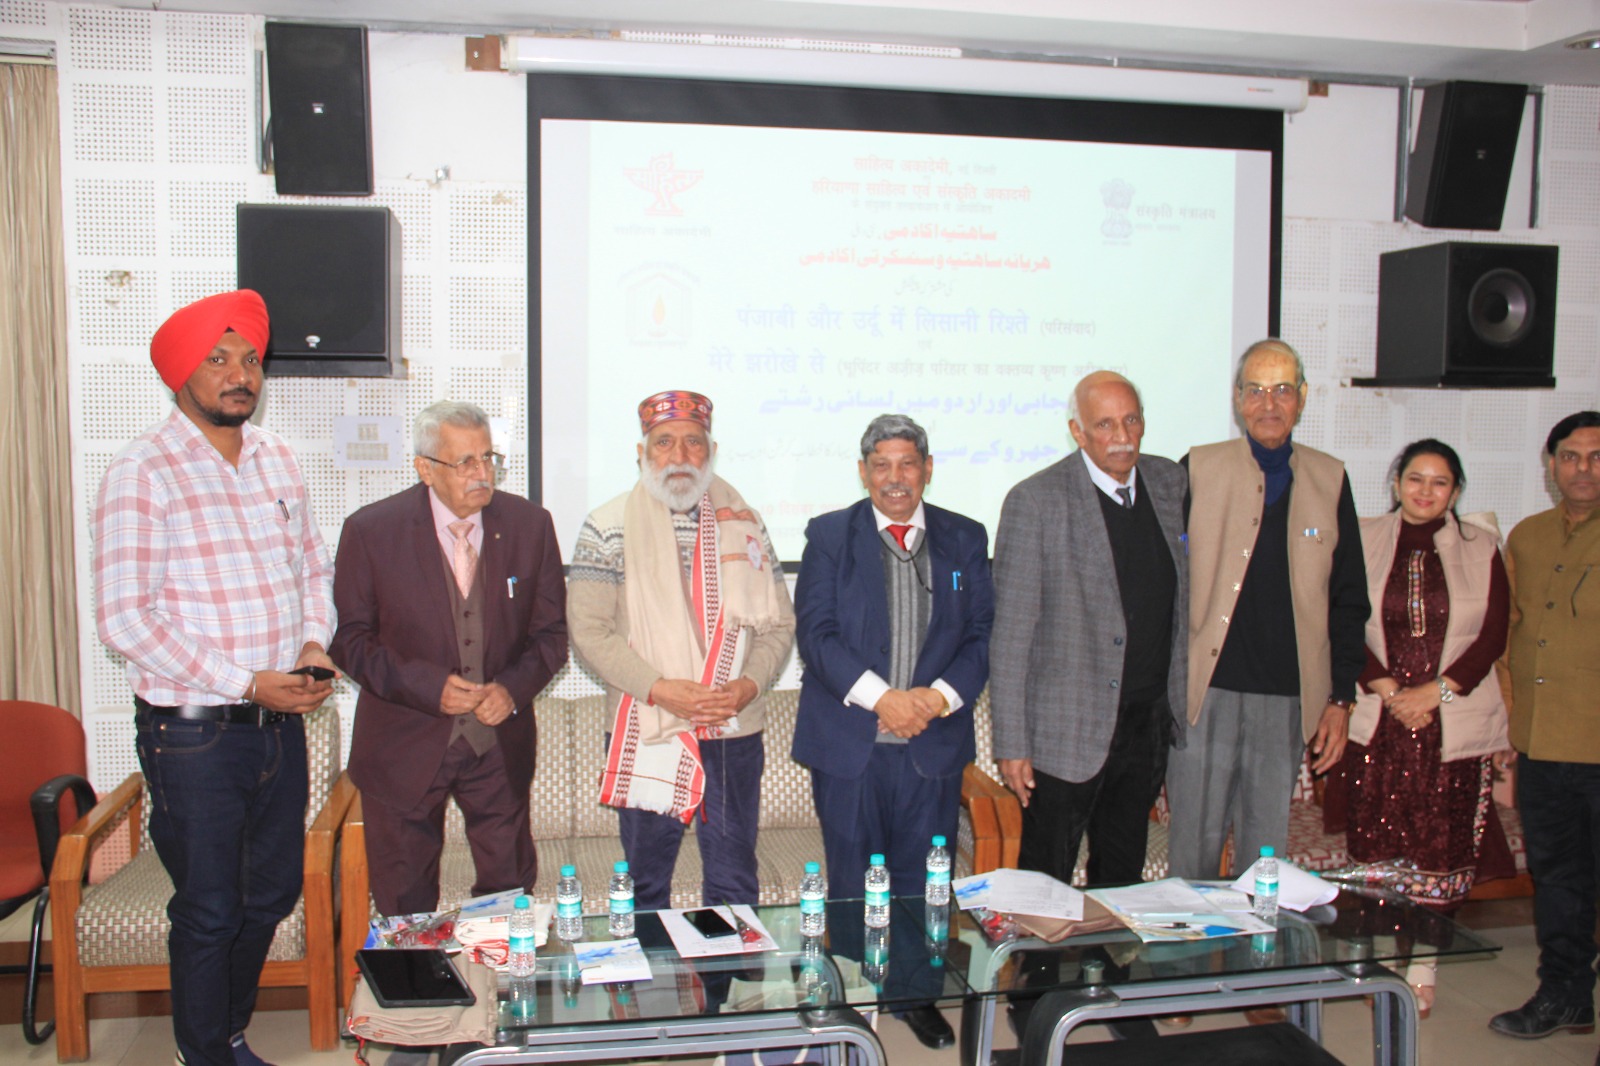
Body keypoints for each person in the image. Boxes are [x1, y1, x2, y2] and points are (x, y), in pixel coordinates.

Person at [94, 290, 336, 1066]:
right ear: (180, 374)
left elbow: (313, 569)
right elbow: (124, 620)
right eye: (219, 360)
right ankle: (202, 1053)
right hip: (193, 736)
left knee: (271, 893)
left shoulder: (277, 458)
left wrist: (313, 645)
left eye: (251, 360)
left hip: (279, 726)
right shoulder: (142, 471)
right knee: (209, 907)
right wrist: (244, 681)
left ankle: (227, 1034)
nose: (241, 375)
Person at [792, 413, 994, 1050]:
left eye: (908, 463)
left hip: (931, 744)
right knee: (853, 878)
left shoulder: (965, 537)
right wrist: (884, 700)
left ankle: (915, 994)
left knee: (924, 878)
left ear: (927, 469)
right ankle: (855, 999)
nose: (895, 477)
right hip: (850, 745)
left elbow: (981, 635)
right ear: (863, 472)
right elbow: (816, 636)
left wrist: (934, 700)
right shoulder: (830, 536)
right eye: (881, 465)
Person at [330, 400, 568, 917]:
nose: (482, 473)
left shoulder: (529, 525)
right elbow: (349, 641)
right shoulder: (372, 531)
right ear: (425, 468)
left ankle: (501, 971)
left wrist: (512, 689)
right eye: (465, 462)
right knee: (406, 907)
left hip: (497, 746)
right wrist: (426, 687)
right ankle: (418, 973)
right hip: (402, 746)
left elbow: (551, 637)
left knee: (508, 898)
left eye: (488, 458)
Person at [567, 391, 795, 911]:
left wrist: (747, 686)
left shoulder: (746, 522)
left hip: (732, 726)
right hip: (648, 721)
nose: (679, 456)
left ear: (711, 451)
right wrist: (661, 689)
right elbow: (588, 630)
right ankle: (651, 969)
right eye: (664, 442)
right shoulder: (607, 526)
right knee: (646, 884)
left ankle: (730, 968)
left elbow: (780, 623)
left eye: (693, 443)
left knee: (734, 879)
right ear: (641, 453)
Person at [1167, 338, 1370, 880]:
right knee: (1192, 853)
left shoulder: (1330, 478)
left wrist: (1341, 697)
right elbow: (1166, 581)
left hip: (1287, 698)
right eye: (1255, 390)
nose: (1269, 404)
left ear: (1302, 397)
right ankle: (1187, 938)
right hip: (1204, 692)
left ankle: (1256, 940)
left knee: (1265, 860)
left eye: (1282, 389)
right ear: (1238, 400)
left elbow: (1349, 598)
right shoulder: (1198, 468)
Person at [991, 371, 1186, 889]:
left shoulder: (1170, 484)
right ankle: (1042, 949)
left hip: (1146, 724)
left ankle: (1109, 945)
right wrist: (1012, 744)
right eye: (1104, 424)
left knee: (1122, 878)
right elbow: (1010, 637)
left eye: (1131, 420)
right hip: (1065, 730)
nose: (1121, 436)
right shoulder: (1036, 501)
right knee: (1045, 884)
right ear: (1077, 432)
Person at [1345, 439, 1514, 1018]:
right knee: (1379, 846)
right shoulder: (1361, 538)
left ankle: (1423, 964)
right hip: (1381, 719)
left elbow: (1493, 635)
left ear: (1456, 491)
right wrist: (1392, 691)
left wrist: (1433, 694)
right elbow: (1341, 619)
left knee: (1439, 848)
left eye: (1440, 482)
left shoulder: (1481, 547)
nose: (1425, 491)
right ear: (1396, 483)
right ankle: (1379, 963)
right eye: (1415, 478)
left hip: (1452, 722)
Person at [1489, 411, 1600, 1041]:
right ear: (1551, 464)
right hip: (1542, 746)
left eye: (1597, 456)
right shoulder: (1527, 537)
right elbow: (1510, 635)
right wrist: (1511, 724)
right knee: (1557, 881)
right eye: (1570, 456)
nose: (1583, 469)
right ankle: (1565, 995)